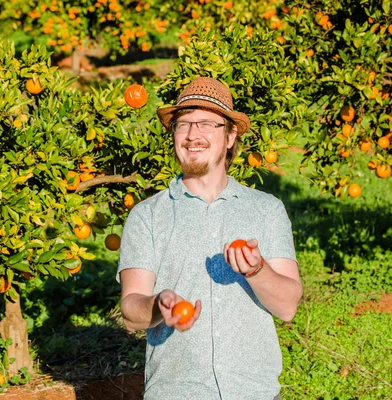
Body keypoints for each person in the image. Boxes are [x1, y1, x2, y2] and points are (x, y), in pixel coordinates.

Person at [117, 76, 303, 400]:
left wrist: (256, 271)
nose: (192, 135)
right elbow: (132, 310)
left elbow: (287, 307)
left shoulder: (267, 210)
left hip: (253, 392)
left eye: (206, 123)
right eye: (183, 124)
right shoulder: (147, 216)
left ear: (230, 136)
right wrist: (158, 305)